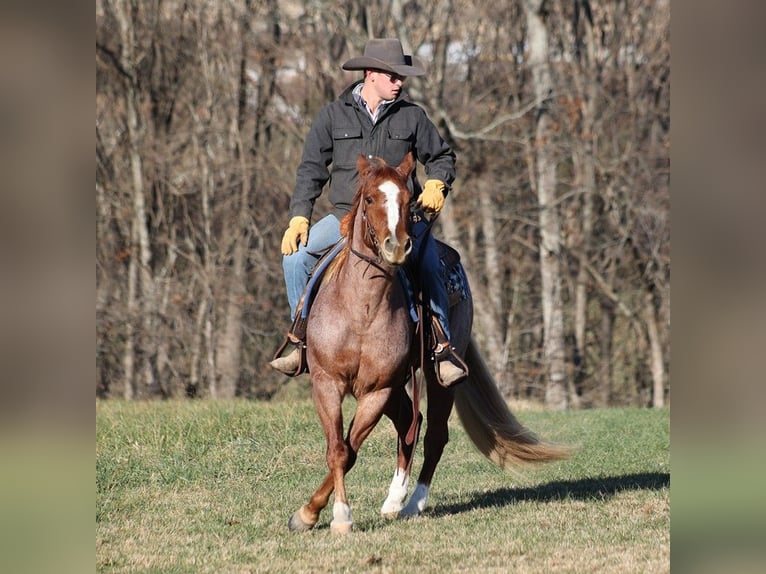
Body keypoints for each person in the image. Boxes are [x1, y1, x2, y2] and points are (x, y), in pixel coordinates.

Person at [270, 38, 466, 386]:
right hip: (346, 218)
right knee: (294, 259)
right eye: (393, 76)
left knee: (429, 263)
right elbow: (311, 169)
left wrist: (437, 184)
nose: (399, 83)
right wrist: (299, 216)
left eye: (401, 78)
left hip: (402, 220)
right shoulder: (333, 115)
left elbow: (442, 157)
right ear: (372, 73)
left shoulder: (412, 116)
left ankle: (442, 349)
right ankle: (302, 341)